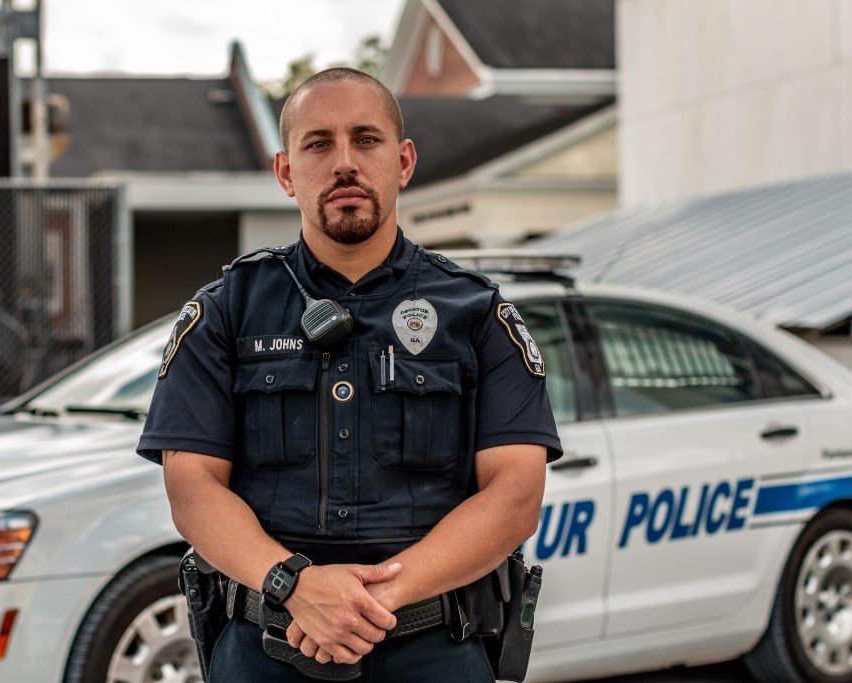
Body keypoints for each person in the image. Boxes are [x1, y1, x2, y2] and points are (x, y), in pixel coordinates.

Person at [137, 67, 562, 682]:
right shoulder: (227, 310)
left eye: (366, 140)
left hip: (433, 649)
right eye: (318, 144)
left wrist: (371, 601)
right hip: (265, 648)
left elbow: (515, 496)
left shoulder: (478, 313)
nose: (345, 163)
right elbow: (193, 488)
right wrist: (296, 586)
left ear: (404, 161)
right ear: (286, 172)